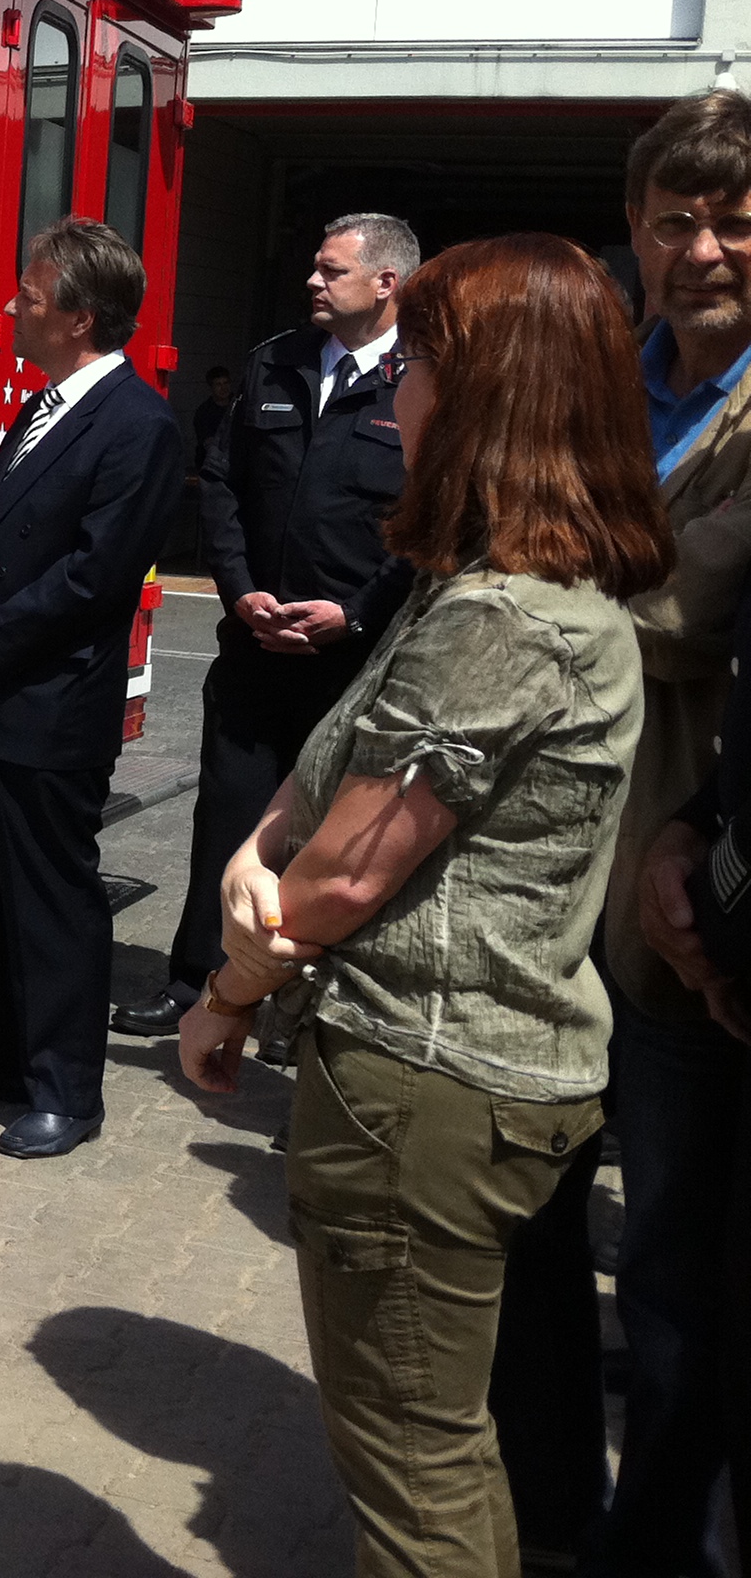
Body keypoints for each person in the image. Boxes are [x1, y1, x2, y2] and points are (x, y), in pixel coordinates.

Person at [180, 233, 671, 1578]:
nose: (396, 389)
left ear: (481, 395)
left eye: (420, 365)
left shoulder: (504, 614)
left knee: (415, 1467)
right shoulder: (475, 584)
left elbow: (349, 873)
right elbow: (340, 770)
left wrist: (231, 986)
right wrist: (260, 844)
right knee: (452, 1444)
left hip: (424, 1083)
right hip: (460, 1078)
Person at [0, 217, 186, 1158]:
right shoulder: (42, 407)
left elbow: (94, 578)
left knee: (50, 901)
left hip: (49, 701)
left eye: (28, 297)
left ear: (78, 315)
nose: (11, 309)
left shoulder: (137, 425)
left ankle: (65, 1090)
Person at [114, 213, 417, 1040]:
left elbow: (427, 524)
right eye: (315, 268)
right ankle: (199, 984)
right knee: (228, 816)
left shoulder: (427, 377)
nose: (313, 282)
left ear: (386, 282)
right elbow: (222, 486)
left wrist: (356, 614)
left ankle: (308, 1010)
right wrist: (240, 592)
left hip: (355, 661)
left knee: (338, 840)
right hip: (254, 648)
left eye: (332, 270)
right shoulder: (274, 362)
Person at [586, 87, 751, 1572]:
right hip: (544, 871)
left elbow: (693, 606)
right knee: (540, 1225)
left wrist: (523, 582)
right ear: (636, 231)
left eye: (737, 222)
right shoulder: (603, 381)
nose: (704, 249)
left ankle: (654, 1546)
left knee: (678, 1262)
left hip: (679, 884)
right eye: (676, 220)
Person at [192, 366, 234, 471]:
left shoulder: (239, 405)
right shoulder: (204, 412)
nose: (223, 388)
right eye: (218, 384)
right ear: (211, 387)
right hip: (212, 465)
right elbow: (208, 443)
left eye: (226, 383)